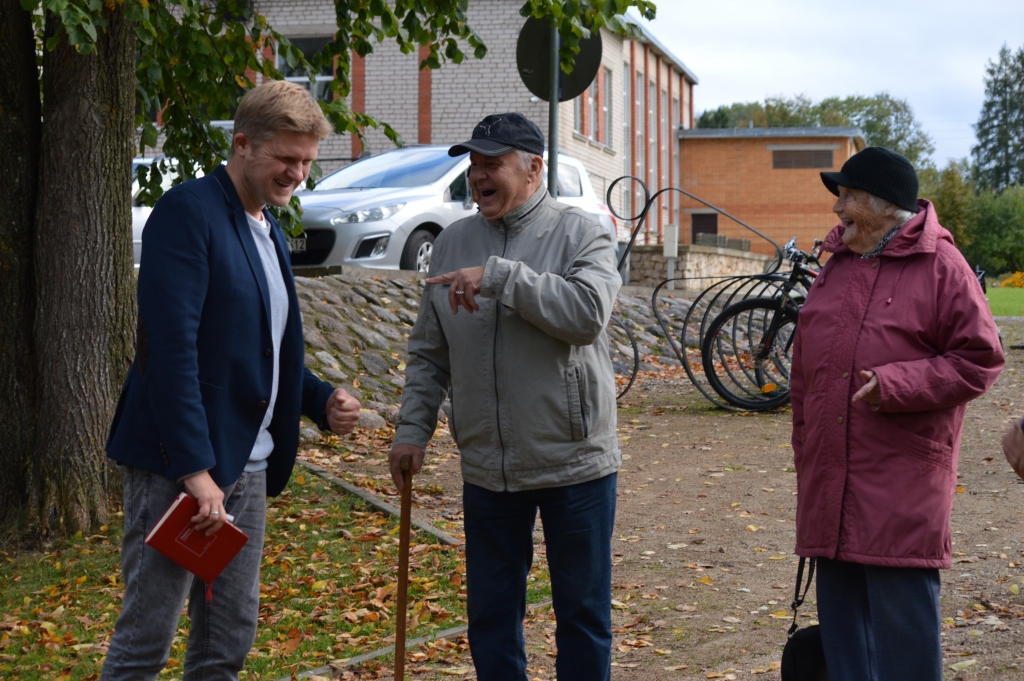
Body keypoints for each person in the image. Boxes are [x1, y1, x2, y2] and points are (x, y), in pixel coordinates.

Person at [101, 81, 361, 681]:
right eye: (286, 159)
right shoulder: (188, 212)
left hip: (246, 467)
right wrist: (196, 472)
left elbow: (260, 353)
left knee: (227, 644)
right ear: (242, 144)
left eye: (305, 162)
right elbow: (168, 353)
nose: (297, 174)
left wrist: (321, 401)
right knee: (147, 643)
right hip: (181, 471)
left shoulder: (266, 227)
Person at [389, 113, 621, 681]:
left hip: (575, 463)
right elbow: (429, 352)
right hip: (488, 468)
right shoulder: (451, 242)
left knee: (583, 616)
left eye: (492, 164)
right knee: (491, 617)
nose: (478, 176)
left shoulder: (582, 232)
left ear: (534, 167)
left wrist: (500, 277)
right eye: (474, 165)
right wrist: (411, 429)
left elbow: (586, 315)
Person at [790, 146, 1004, 681]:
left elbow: (981, 359)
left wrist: (898, 383)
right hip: (830, 478)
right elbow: (805, 370)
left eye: (848, 196)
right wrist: (805, 447)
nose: (838, 209)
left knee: (903, 645)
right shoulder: (837, 265)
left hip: (901, 486)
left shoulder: (942, 266)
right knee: (844, 646)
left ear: (886, 206)